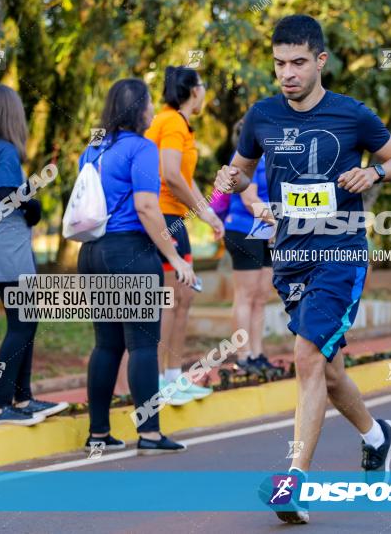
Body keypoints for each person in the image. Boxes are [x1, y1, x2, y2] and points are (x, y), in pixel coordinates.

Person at [215, 14, 391, 524]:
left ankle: (294, 480)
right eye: (280, 63)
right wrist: (233, 181)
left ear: (320, 60)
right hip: (290, 255)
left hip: (341, 252)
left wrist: (372, 170)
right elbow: (239, 172)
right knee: (327, 367)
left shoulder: (352, 115)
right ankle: (377, 436)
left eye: (299, 62)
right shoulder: (261, 117)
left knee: (305, 355)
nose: (288, 72)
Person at [77, 78, 195, 454]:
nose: (152, 110)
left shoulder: (92, 149)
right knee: (143, 345)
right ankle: (149, 433)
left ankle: (98, 433)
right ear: (138, 110)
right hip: (129, 252)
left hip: (93, 254)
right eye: (147, 103)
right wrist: (174, 258)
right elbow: (147, 207)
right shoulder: (142, 148)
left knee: (106, 345)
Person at [0, 84, 68, 427]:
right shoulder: (5, 150)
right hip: (9, 247)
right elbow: (6, 191)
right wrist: (33, 206)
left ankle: (22, 399)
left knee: (23, 322)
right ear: (11, 114)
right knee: (22, 324)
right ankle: (1, 406)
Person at [144, 66, 223, 404]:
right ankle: (160, 380)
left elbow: (184, 177)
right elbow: (171, 175)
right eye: (203, 85)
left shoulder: (178, 124)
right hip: (163, 217)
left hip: (174, 216)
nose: (205, 91)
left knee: (183, 298)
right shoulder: (172, 122)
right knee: (171, 300)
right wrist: (199, 210)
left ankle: (173, 377)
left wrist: (207, 214)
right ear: (194, 90)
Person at [222, 136, 279, 374]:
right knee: (245, 295)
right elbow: (248, 199)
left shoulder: (276, 156)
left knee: (261, 296)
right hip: (244, 229)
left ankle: (257, 354)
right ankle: (243, 357)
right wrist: (277, 224)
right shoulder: (247, 156)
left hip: (266, 231)